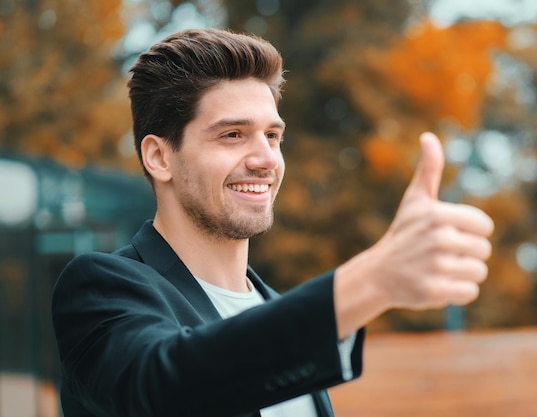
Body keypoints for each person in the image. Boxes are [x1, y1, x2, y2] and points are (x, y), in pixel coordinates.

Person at [51, 28, 494, 417]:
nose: (266, 159)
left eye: (273, 136)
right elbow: (168, 387)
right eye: (232, 135)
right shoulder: (101, 288)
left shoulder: (278, 314)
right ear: (160, 156)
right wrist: (372, 280)